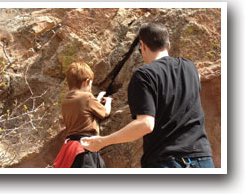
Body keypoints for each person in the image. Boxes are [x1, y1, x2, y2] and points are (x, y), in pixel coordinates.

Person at [81, 22, 214, 168]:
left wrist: (103, 141)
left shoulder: (144, 75)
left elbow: (145, 124)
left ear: (142, 45)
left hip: (167, 160)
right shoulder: (190, 67)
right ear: (168, 45)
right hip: (202, 157)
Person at [53, 61, 112, 168]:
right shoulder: (87, 97)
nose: (90, 88)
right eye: (91, 84)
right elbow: (105, 112)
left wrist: (97, 99)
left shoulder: (65, 101)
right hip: (85, 147)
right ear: (87, 82)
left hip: (70, 148)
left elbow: (83, 109)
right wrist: (108, 102)